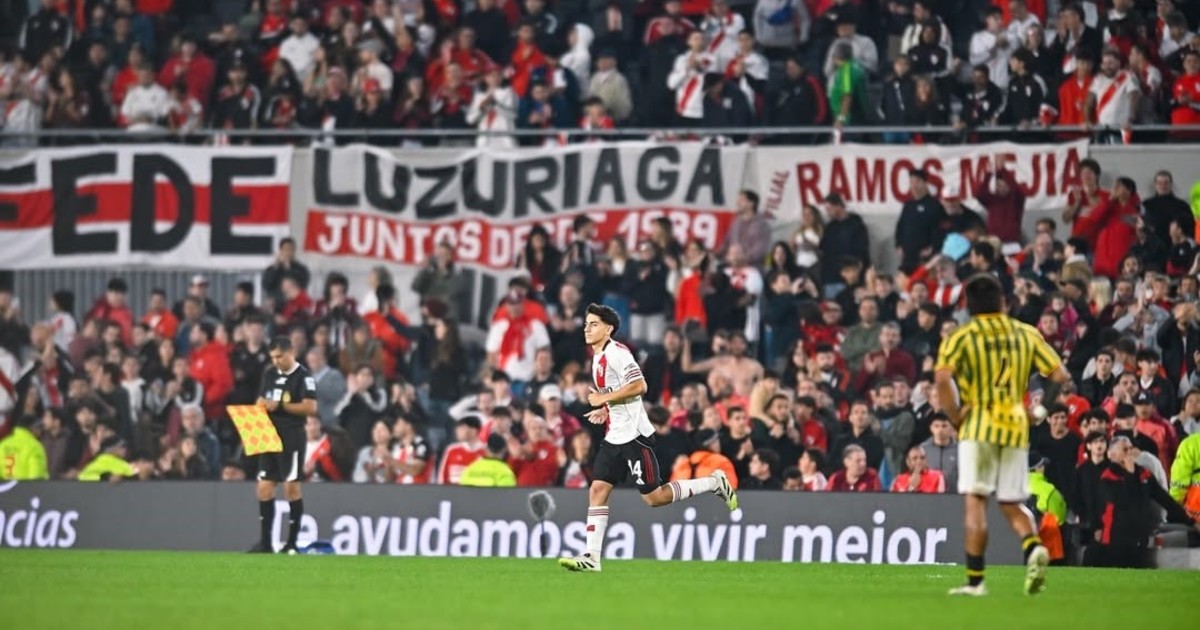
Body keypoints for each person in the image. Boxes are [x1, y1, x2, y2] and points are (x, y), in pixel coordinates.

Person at [559, 304, 737, 572]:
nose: (587, 328)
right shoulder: (597, 358)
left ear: (608, 329)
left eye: (593, 324)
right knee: (598, 490)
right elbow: (620, 393)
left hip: (634, 436)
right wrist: (606, 409)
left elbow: (640, 385)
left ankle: (714, 483)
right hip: (614, 434)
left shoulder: (618, 353)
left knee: (655, 498)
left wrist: (605, 398)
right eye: (586, 324)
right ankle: (592, 558)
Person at [935, 273, 1070, 596]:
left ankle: (975, 582)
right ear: (1002, 302)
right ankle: (1033, 545)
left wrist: (955, 416)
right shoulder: (1026, 333)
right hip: (1015, 426)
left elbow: (941, 379)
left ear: (969, 306)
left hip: (978, 426)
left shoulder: (961, 337)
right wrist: (1039, 411)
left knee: (976, 503)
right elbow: (1059, 375)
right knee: (1011, 502)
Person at [248, 336, 317, 554]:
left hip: (292, 436)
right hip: (268, 434)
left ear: (291, 352)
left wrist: (281, 406)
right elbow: (261, 400)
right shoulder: (269, 374)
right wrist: (260, 406)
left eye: (279, 356)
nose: (276, 361)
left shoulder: (304, 376)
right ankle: (266, 543)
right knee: (264, 487)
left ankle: (291, 543)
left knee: (291, 488)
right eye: (273, 357)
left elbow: (310, 407)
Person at [1096, 435, 1198, 568]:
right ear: (1111, 454)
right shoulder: (1107, 477)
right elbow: (1125, 500)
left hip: (1140, 538)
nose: (1129, 452)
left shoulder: (1144, 474)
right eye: (1125, 449)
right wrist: (1130, 473)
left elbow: (1166, 501)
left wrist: (1192, 522)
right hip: (1115, 540)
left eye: (1131, 448)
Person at [0, 414, 48, 480]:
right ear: (33, 428)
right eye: (39, 427)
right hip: (25, 486)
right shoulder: (34, 446)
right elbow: (36, 477)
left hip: (5, 486)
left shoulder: (3, 444)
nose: (40, 431)